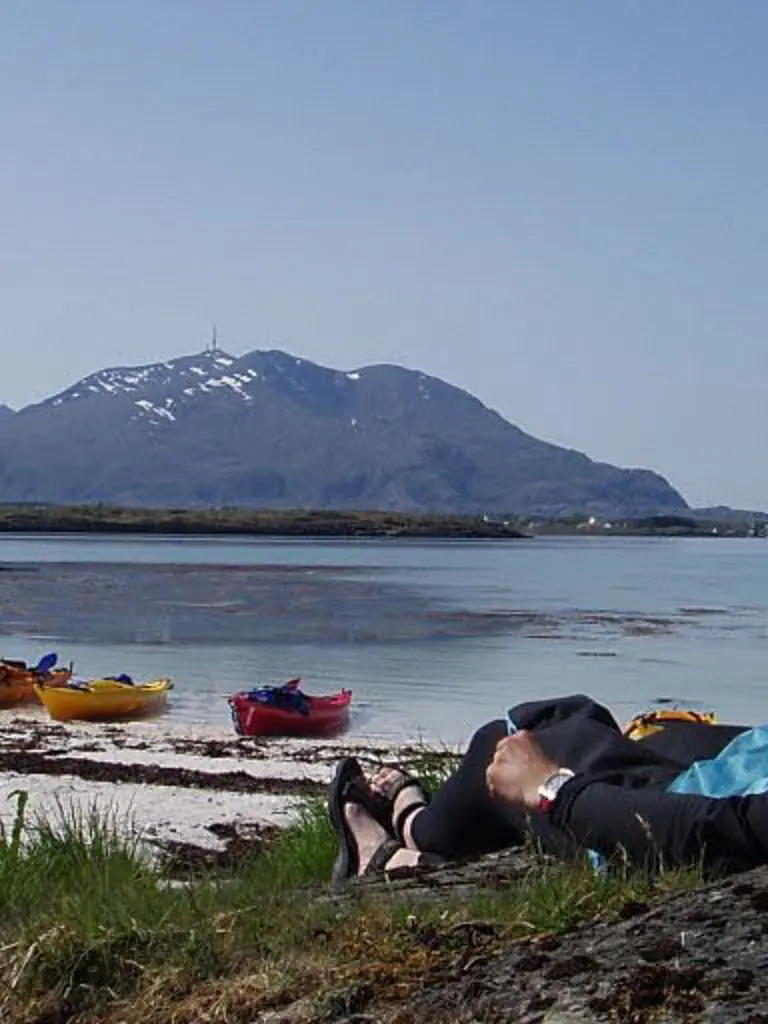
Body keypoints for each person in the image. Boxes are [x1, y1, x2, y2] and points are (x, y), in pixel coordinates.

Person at [328, 694, 768, 884]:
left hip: (667, 811)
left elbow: (724, 834)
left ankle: (409, 835)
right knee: (574, 716)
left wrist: (549, 787)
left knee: (502, 743)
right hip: (734, 769)